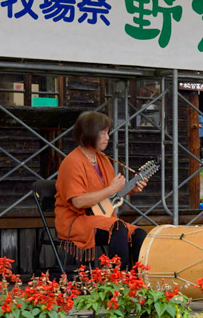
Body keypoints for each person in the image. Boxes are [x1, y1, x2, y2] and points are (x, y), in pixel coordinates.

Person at [54, 111, 148, 270]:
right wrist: (112, 189)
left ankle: (137, 280)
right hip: (76, 221)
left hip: (100, 217)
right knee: (119, 228)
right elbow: (78, 201)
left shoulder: (103, 159)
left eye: (108, 133)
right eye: (102, 133)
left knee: (139, 234)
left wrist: (130, 189)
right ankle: (118, 280)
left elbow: (110, 197)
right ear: (90, 133)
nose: (107, 137)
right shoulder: (72, 162)